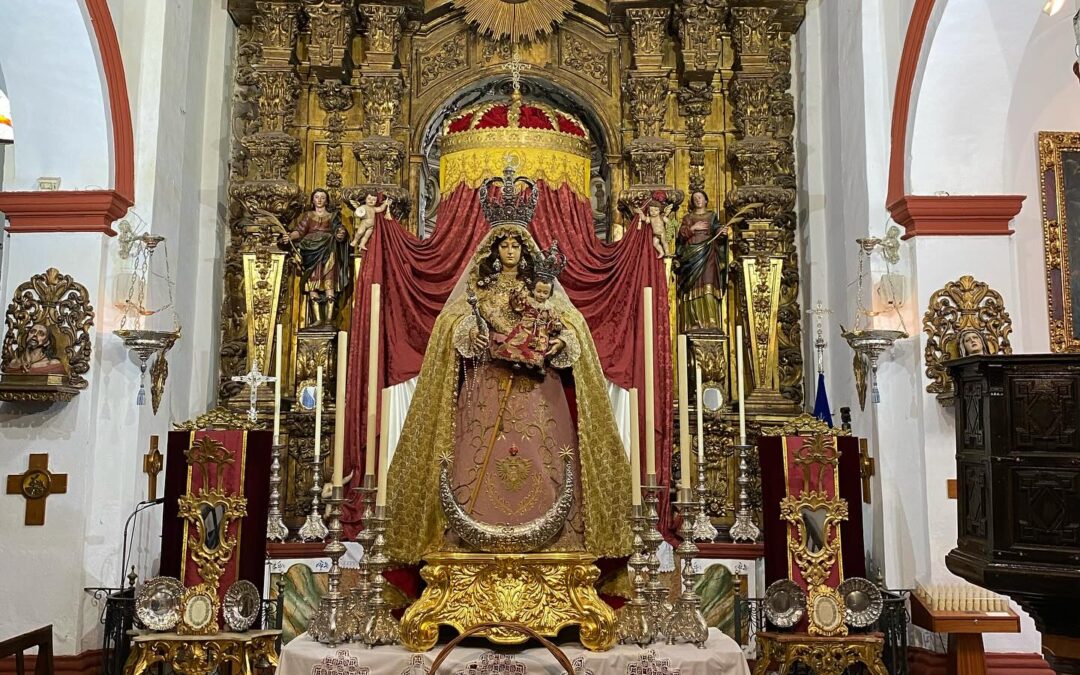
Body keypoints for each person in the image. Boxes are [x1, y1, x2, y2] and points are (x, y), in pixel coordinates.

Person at [383, 224, 633, 565]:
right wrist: (473, 337)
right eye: (505, 246)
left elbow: (573, 327)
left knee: (545, 458)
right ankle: (467, 538)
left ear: (525, 251)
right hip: (487, 387)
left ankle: (557, 543)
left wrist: (558, 342)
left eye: (517, 245)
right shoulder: (481, 291)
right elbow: (454, 324)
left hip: (537, 392)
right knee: (474, 460)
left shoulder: (541, 290)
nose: (511, 251)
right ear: (494, 252)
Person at [281, 189, 352, 327]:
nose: (319, 200)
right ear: (312, 200)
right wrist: (290, 236)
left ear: (327, 201)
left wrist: (340, 233)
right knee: (312, 283)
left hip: (328, 249)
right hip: (310, 252)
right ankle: (318, 319)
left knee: (329, 280)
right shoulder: (308, 215)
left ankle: (329, 320)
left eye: (323, 197)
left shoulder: (332, 216)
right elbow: (300, 231)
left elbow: (339, 230)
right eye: (317, 197)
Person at [489, 265, 566, 371]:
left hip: (541, 331)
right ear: (533, 290)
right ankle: (517, 360)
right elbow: (517, 306)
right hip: (525, 327)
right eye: (538, 291)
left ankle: (536, 364)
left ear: (549, 295)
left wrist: (556, 325)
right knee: (518, 342)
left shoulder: (550, 308)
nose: (541, 295)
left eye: (545, 293)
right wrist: (515, 295)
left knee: (539, 348)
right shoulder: (528, 302)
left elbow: (553, 320)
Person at [675, 189, 728, 333]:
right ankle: (694, 322)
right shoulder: (688, 217)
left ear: (705, 200)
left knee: (708, 284)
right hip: (691, 256)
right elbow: (681, 235)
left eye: (700, 197)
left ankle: (711, 321)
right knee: (692, 286)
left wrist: (722, 232)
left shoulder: (712, 216)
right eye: (695, 198)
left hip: (708, 253)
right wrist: (693, 228)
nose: (698, 200)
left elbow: (717, 231)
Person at [633, 192, 675, 259]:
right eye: (651, 210)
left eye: (656, 210)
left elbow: (669, 222)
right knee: (655, 244)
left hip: (662, 233)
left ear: (659, 211)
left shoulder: (661, 217)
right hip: (655, 234)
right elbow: (644, 218)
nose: (653, 212)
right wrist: (640, 212)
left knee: (664, 242)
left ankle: (667, 252)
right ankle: (661, 252)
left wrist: (670, 229)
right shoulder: (651, 218)